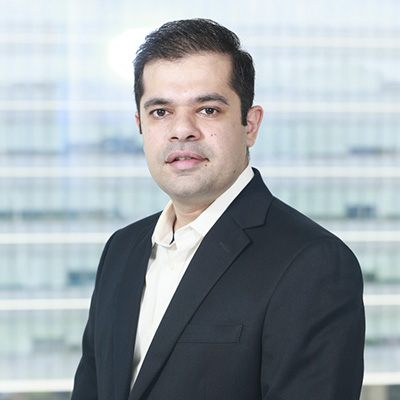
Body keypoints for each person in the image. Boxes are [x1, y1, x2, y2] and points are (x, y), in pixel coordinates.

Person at [71, 18, 365, 400]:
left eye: (208, 110)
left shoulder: (313, 263)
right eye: (160, 112)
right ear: (140, 125)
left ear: (250, 125)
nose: (182, 130)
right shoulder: (121, 249)